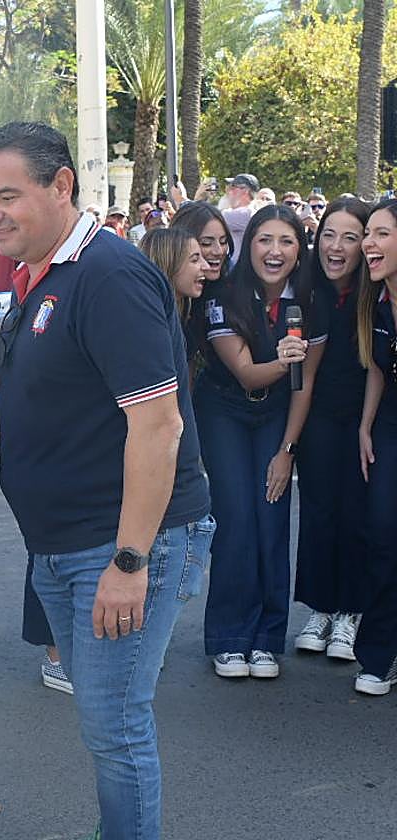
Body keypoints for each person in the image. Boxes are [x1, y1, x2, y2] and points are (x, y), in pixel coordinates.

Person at [0, 122, 212, 840]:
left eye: (8, 196)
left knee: (116, 728)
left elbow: (158, 426)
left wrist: (130, 562)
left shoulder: (108, 275)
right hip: (64, 544)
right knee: (102, 719)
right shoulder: (45, 272)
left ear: (62, 185)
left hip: (119, 547)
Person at [196, 205, 327, 680]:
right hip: (225, 408)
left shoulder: (310, 301)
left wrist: (286, 452)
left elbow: (304, 383)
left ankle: (267, 639)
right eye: (264, 240)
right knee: (236, 518)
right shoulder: (224, 296)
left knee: (272, 514)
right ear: (248, 245)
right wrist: (285, 360)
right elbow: (248, 370)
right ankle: (229, 638)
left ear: (299, 250)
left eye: (286, 242)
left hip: (278, 413)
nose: (275, 252)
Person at [291, 198, 371, 660]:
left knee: (357, 513)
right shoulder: (308, 289)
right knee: (319, 512)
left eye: (349, 237)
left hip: (368, 419)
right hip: (319, 414)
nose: (336, 247)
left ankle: (350, 612)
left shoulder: (376, 291)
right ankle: (319, 608)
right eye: (329, 235)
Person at [351, 199, 397, 695]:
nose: (369, 244)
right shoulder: (376, 301)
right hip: (389, 427)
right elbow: (378, 369)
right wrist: (366, 426)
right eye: (369, 234)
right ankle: (380, 656)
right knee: (383, 535)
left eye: (381, 234)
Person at [139, 227, 212, 380]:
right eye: (194, 259)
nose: (206, 266)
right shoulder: (146, 325)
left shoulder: (185, 314)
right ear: (169, 264)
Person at [222, 173, 261, 258]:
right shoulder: (251, 211)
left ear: (245, 190)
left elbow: (207, 219)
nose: (228, 191)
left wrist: (199, 197)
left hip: (237, 266)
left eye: (232, 187)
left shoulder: (244, 213)